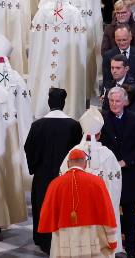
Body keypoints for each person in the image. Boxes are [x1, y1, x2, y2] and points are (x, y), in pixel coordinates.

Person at [25, 87, 83, 255]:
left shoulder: (37, 125)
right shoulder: (73, 125)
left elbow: (29, 148)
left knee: (43, 205)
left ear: (49, 103)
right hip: (66, 177)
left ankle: (43, 239)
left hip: (43, 176)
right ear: (64, 103)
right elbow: (78, 151)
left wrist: (35, 167)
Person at [38, 148, 119, 257]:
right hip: (92, 242)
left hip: (64, 244)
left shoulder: (55, 184)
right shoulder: (97, 182)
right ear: (85, 164)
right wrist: (112, 241)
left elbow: (46, 214)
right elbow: (107, 214)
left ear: (67, 164)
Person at [99, 86, 135, 257]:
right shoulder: (101, 119)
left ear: (125, 101)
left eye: (117, 101)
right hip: (108, 176)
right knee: (108, 214)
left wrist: (125, 162)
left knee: (130, 217)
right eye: (111, 101)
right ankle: (109, 250)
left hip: (128, 175)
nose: (114, 104)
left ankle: (131, 252)